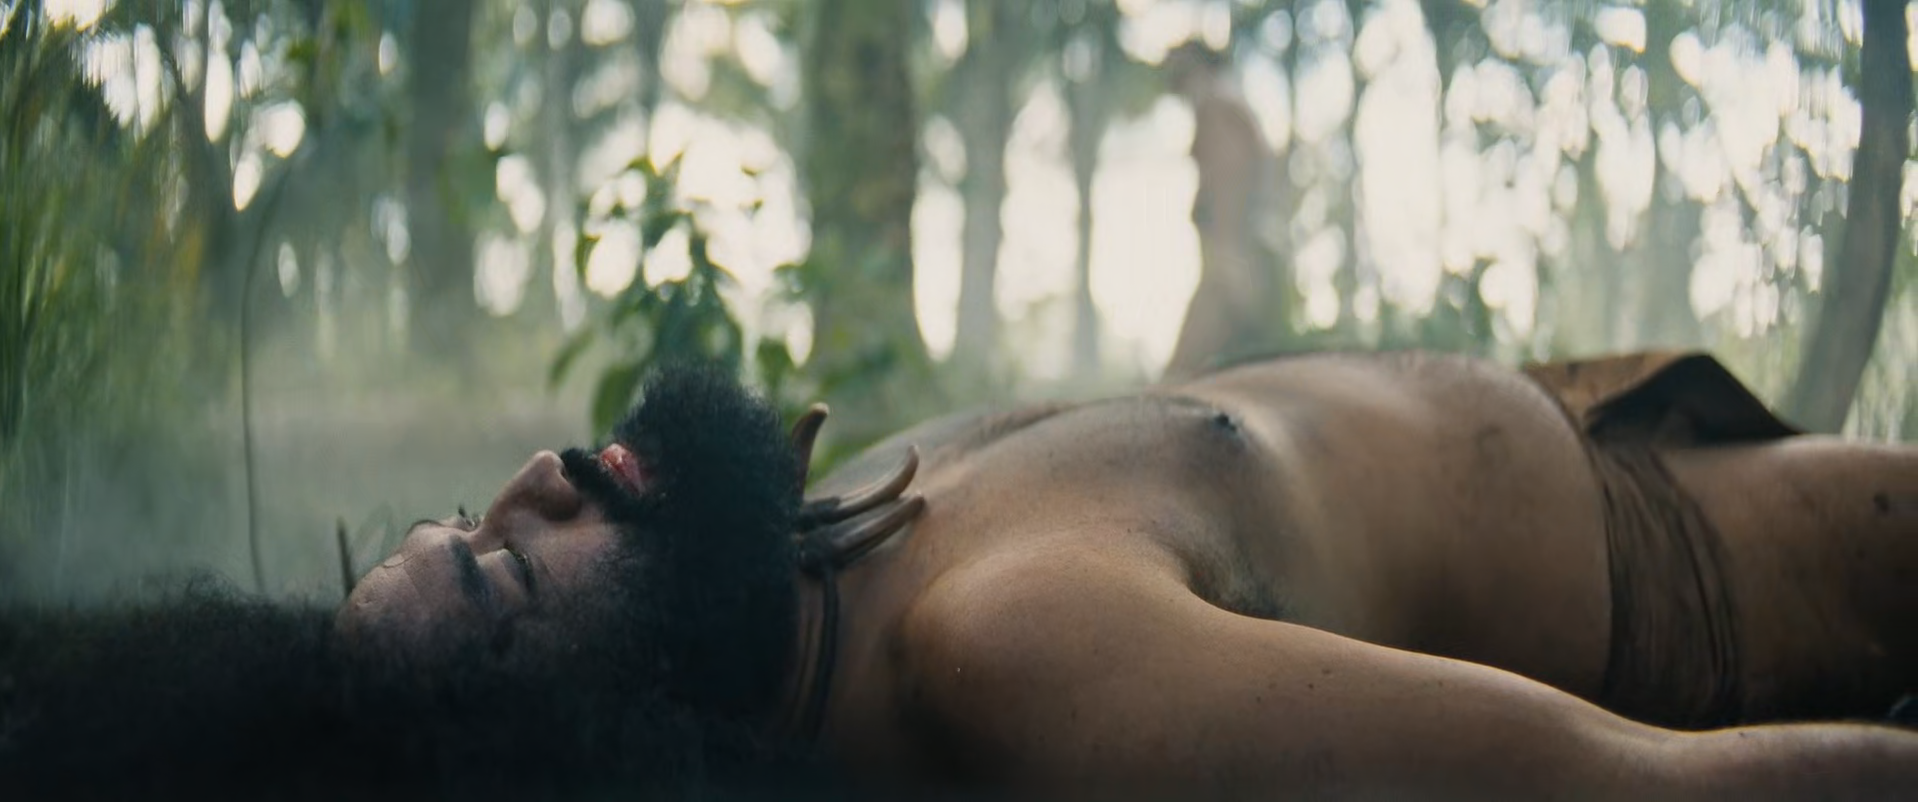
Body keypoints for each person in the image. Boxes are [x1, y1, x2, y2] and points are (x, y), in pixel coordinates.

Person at [4, 354, 1916, 799]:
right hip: (1704, 579)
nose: (543, 475)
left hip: (1627, 426)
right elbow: (1631, 789)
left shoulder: (818, 554)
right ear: (602, 726)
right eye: (509, 572)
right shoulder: (1014, 648)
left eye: (472, 512)